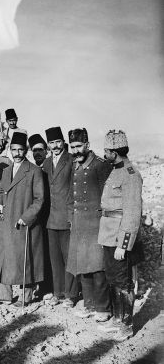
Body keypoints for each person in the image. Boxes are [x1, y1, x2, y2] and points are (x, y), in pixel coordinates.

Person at [97, 130, 142, 341]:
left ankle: (126, 326)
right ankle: (117, 320)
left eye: (106, 151)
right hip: (108, 234)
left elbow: (132, 214)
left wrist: (123, 245)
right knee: (113, 280)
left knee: (123, 282)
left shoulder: (130, 174)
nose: (104, 154)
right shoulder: (115, 170)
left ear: (115, 152)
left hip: (119, 238)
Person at [0, 132, 45, 306]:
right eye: (13, 150)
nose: (17, 153)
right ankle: (3, 295)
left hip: (22, 222)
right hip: (5, 221)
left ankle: (25, 296)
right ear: (10, 149)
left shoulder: (34, 171)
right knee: (2, 255)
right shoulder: (7, 171)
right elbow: (1, 192)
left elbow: (39, 199)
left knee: (25, 257)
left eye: (20, 150)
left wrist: (26, 217)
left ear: (26, 150)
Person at [66, 128, 112, 321]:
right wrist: (71, 218)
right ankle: (89, 304)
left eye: (78, 146)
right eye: (73, 147)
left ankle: (103, 308)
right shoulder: (75, 165)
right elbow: (71, 196)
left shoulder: (100, 166)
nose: (75, 151)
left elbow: (108, 198)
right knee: (82, 265)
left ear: (87, 145)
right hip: (79, 224)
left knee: (98, 267)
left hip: (96, 224)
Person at [42, 126, 78, 307]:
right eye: (51, 143)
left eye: (58, 142)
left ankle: (71, 295)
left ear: (63, 142)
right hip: (51, 219)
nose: (55, 146)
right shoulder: (47, 163)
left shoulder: (71, 160)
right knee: (55, 259)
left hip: (67, 217)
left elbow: (74, 189)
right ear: (48, 145)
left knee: (68, 257)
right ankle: (58, 292)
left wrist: (72, 216)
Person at [28, 133, 52, 297]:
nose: (37, 154)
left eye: (40, 150)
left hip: (51, 216)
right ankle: (41, 285)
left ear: (46, 151)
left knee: (50, 253)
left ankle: (50, 287)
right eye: (34, 151)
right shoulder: (31, 170)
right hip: (38, 217)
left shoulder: (51, 168)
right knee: (38, 253)